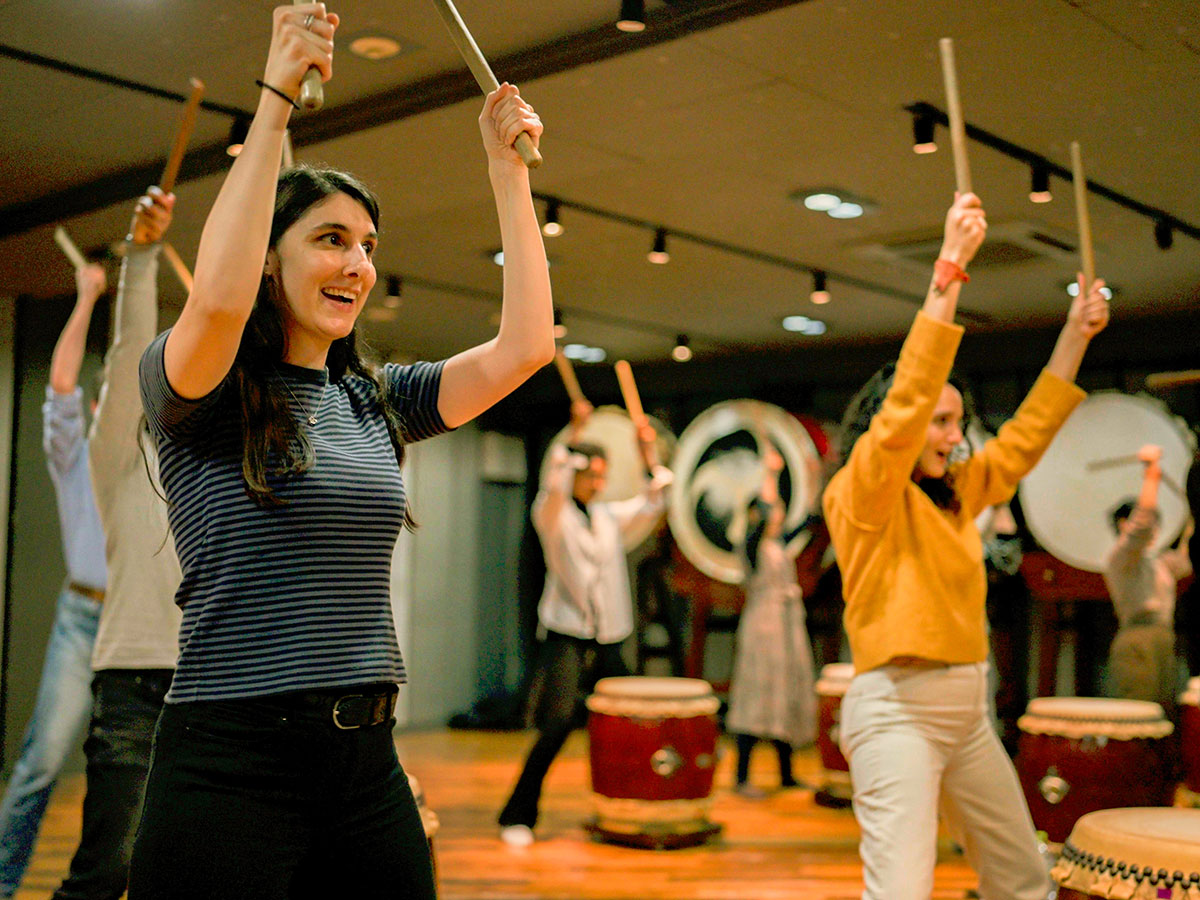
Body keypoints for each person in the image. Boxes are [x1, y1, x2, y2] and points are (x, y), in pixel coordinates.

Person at [127, 4, 553, 895]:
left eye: (367, 246)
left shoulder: (376, 398)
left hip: (365, 762)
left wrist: (505, 170)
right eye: (329, 240)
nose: (358, 264)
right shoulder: (198, 389)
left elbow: (525, 348)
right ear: (268, 261)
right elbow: (217, 303)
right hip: (232, 762)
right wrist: (276, 96)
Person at [823, 191, 1109, 900]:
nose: (954, 437)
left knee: (1023, 881)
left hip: (966, 710)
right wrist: (948, 267)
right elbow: (905, 407)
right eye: (941, 422)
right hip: (896, 712)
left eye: (957, 422)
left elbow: (1024, 439)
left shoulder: (956, 491)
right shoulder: (862, 493)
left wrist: (1075, 335)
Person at [51, 189, 183, 900]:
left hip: (208, 688)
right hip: (133, 682)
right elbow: (131, 352)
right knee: (105, 872)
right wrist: (143, 255)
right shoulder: (117, 459)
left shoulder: (214, 458)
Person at [498, 400, 672, 846]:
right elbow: (554, 482)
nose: (598, 484)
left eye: (602, 476)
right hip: (567, 634)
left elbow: (655, 499)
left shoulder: (608, 516)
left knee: (630, 718)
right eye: (591, 475)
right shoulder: (552, 515)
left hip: (610, 633)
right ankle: (517, 815)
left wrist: (648, 454)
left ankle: (632, 805)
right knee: (557, 724)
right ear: (575, 474)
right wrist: (574, 434)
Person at [0, 265, 108, 900]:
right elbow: (61, 385)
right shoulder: (76, 456)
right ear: (95, 410)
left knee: (133, 775)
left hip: (139, 630)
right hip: (82, 617)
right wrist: (88, 295)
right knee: (40, 766)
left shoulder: (156, 459)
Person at [726, 444, 816, 796]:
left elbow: (801, 521)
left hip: (785, 626)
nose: (778, 514)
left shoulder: (777, 545)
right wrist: (770, 474)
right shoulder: (751, 547)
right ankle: (742, 777)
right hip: (764, 627)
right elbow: (763, 511)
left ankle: (786, 774)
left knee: (785, 695)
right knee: (756, 695)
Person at [1103, 445, 1193, 717]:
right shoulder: (1121, 558)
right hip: (1137, 640)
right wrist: (1151, 478)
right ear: (1123, 524)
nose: (1153, 528)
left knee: (1164, 716)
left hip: (1163, 638)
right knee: (1138, 716)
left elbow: (1185, 561)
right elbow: (1140, 527)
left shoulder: (1158, 562)